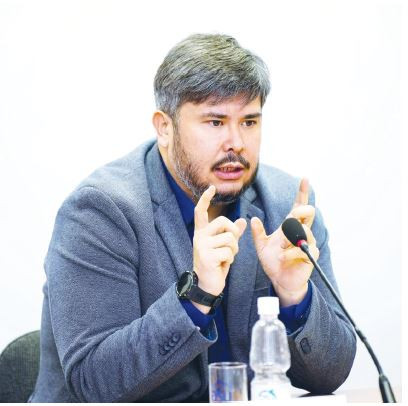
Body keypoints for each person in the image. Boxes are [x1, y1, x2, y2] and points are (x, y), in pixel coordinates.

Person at [29, 33, 356, 402]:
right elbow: (96, 383)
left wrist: (295, 296)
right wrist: (196, 296)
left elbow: (331, 375)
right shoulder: (100, 212)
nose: (236, 142)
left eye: (249, 122)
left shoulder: (286, 207)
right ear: (164, 127)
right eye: (215, 122)